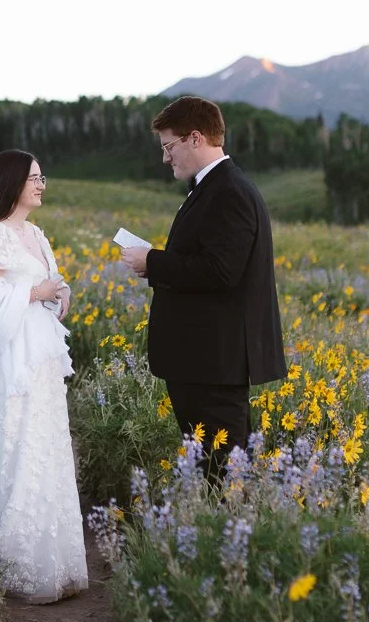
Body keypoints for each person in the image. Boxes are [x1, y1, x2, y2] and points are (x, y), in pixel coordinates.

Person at [120, 96, 286, 479]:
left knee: (224, 474)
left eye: (169, 146)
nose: (166, 158)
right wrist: (156, 269)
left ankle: (231, 537)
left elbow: (221, 272)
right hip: (204, 362)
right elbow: (209, 266)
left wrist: (153, 261)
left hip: (214, 364)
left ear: (195, 138)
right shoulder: (214, 188)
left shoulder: (228, 191)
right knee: (213, 470)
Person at [0, 149, 88, 603]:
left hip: (42, 356)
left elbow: (47, 282)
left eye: (42, 177)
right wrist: (34, 292)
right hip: (13, 358)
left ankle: (55, 561)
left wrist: (59, 293)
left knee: (46, 445)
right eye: (34, 177)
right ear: (13, 182)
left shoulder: (36, 234)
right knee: (19, 443)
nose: (41, 184)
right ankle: (18, 563)